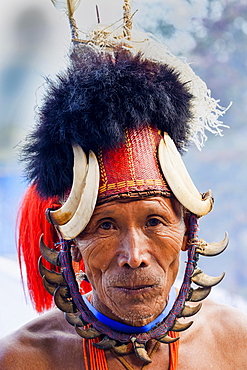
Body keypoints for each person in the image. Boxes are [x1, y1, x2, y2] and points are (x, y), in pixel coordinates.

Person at [1, 1, 247, 369]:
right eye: (104, 225)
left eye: (154, 221)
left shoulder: (237, 344)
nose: (134, 256)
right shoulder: (24, 360)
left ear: (186, 231)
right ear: (73, 244)